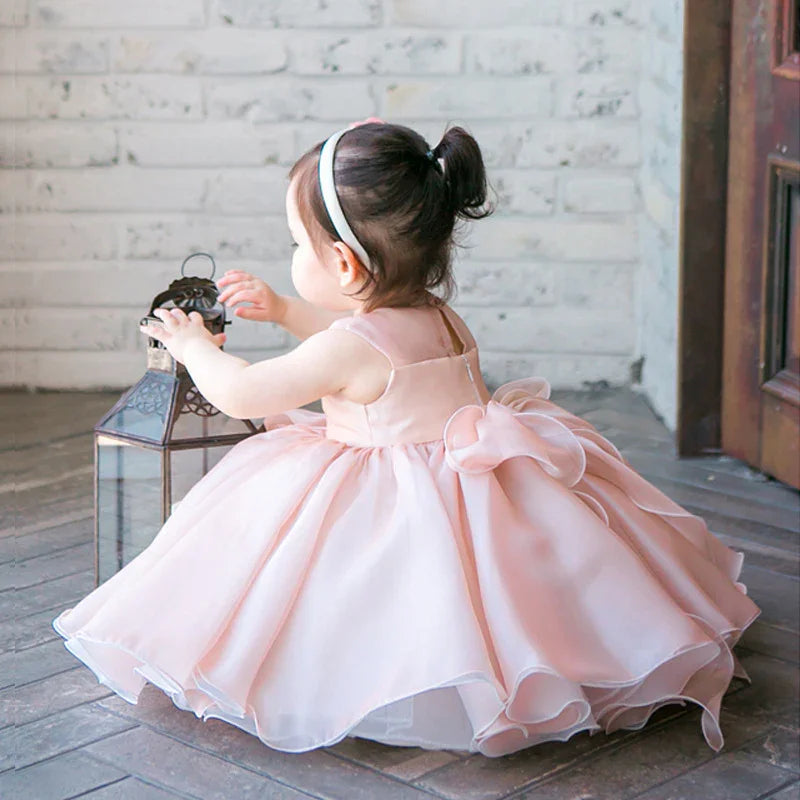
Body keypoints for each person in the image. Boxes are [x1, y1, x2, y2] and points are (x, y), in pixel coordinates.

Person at [52, 119, 761, 758]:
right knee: (515, 598)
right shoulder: (440, 317)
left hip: (388, 494)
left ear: (345, 267)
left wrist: (191, 347)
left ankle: (376, 677)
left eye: (298, 244)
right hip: (470, 479)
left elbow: (242, 392)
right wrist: (283, 309)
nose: (291, 255)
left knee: (364, 591)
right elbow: (356, 342)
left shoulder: (353, 346)